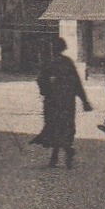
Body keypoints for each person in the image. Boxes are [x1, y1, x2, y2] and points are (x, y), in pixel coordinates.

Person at [30, 37, 91, 168]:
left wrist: (45, 91)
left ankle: (61, 154)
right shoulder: (67, 62)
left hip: (53, 101)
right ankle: (62, 153)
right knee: (66, 126)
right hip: (67, 101)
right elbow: (77, 83)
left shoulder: (49, 63)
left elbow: (41, 80)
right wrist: (84, 101)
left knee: (53, 126)